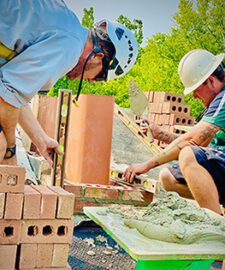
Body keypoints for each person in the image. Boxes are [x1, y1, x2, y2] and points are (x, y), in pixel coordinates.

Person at [0, 0, 138, 166]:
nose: (90, 80)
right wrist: (10, 149)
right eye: (100, 76)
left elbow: (12, 94)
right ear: (98, 56)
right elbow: (7, 99)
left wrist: (40, 139)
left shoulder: (65, 23)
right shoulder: (70, 46)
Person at [124, 49, 225, 215]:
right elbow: (202, 142)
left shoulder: (223, 100)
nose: (194, 96)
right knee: (167, 177)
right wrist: (160, 134)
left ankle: (216, 228)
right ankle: (216, 208)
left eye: (196, 89)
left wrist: (147, 165)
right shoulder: (216, 104)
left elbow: (193, 141)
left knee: (187, 155)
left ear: (211, 81)